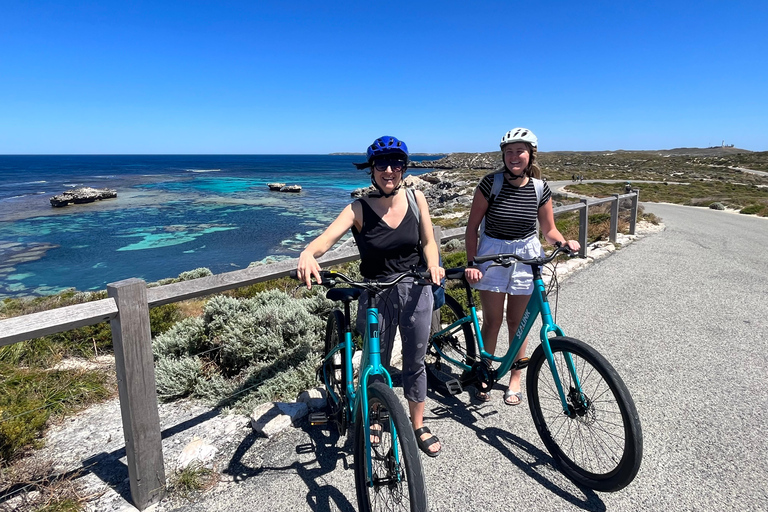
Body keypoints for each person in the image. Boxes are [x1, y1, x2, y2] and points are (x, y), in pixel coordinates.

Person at [297, 135, 444, 457]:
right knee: (374, 361)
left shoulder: (417, 199)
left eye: (396, 163)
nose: (389, 170)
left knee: (415, 362)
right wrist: (309, 252)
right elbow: (327, 238)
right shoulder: (358, 207)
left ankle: (417, 423)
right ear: (372, 170)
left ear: (404, 168)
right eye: (381, 164)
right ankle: (377, 415)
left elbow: (429, 242)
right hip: (376, 293)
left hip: (416, 288)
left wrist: (434, 266)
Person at [464, 128, 580, 405]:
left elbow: (549, 229)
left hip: (527, 253)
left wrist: (564, 243)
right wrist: (471, 263)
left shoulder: (540, 188)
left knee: (519, 323)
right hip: (492, 253)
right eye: (509, 151)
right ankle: (486, 371)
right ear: (503, 155)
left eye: (520, 151)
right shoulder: (490, 184)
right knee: (492, 321)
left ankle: (515, 378)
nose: (514, 156)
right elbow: (472, 228)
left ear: (530, 155)